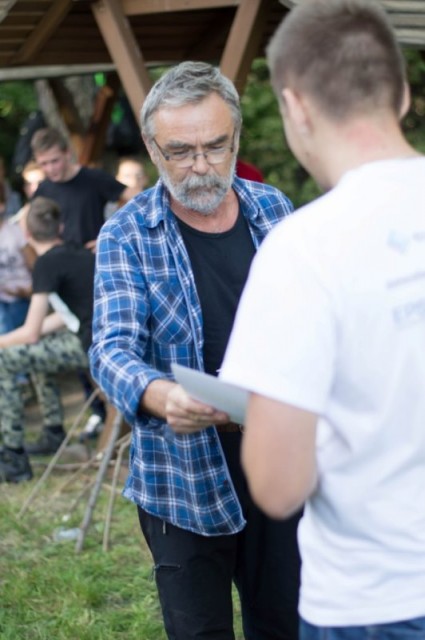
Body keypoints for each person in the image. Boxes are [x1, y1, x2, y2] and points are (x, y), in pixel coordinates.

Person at [221, 1, 425, 639]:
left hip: (377, 600)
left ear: (295, 106)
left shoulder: (302, 248)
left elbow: (279, 486)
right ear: (402, 94)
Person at [89, 61, 300, 640]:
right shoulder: (126, 233)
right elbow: (111, 349)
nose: (202, 166)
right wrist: (162, 396)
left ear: (237, 138)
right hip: (181, 475)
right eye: (181, 152)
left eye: (216, 146)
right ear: (152, 149)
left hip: (279, 455)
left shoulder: (275, 210)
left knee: (286, 622)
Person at [0, 196, 96, 483]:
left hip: (90, 345)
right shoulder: (77, 253)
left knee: (4, 360)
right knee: (34, 351)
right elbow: (65, 317)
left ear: (26, 233)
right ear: (60, 226)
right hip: (96, 338)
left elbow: (30, 331)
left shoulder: (46, 263)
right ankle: (53, 432)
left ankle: (13, 457)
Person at [31, 127, 139, 250]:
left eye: (55, 161)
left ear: (67, 154)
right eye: (43, 163)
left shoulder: (94, 178)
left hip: (93, 255)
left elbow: (139, 200)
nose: (50, 169)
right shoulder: (43, 190)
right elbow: (28, 227)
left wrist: (113, 237)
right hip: (62, 257)